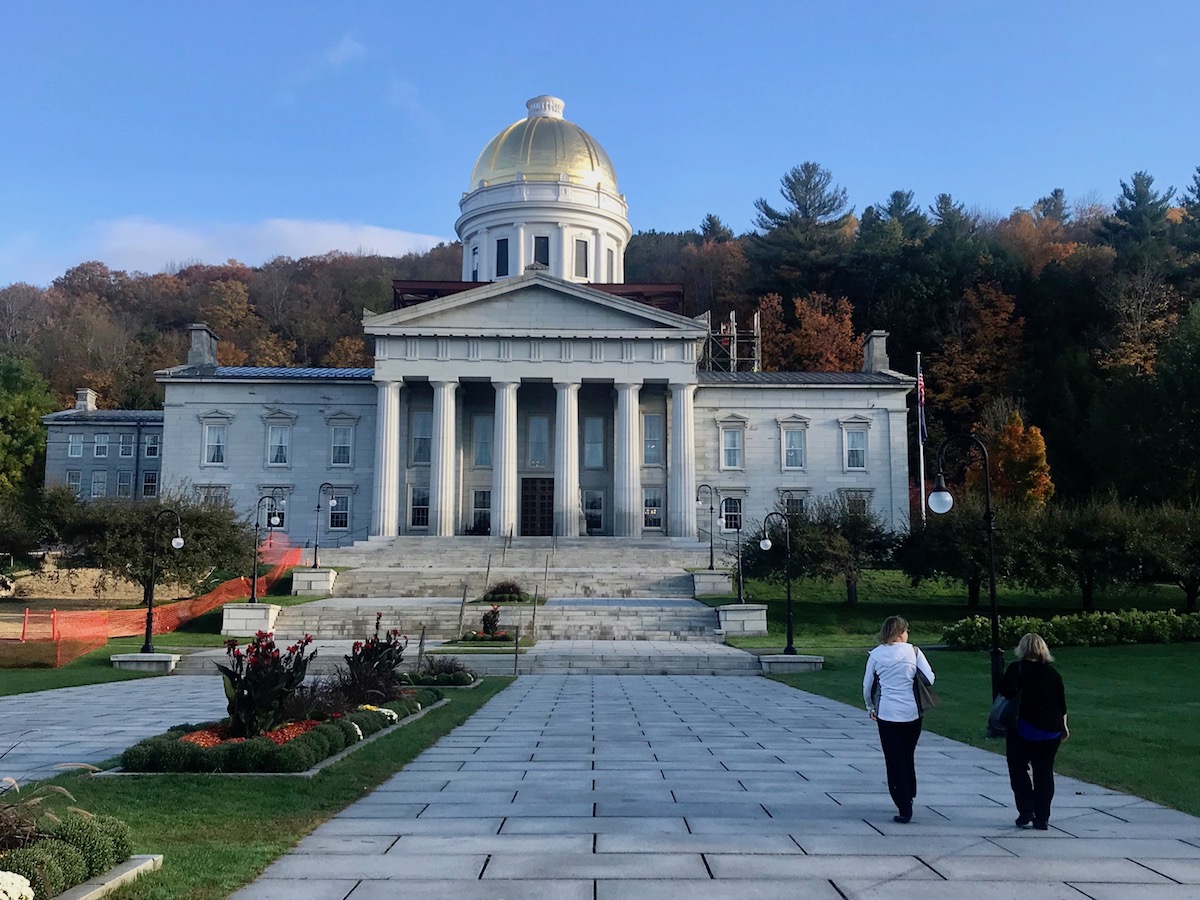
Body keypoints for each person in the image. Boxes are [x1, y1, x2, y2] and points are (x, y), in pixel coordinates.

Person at [863, 615, 935, 823]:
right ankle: (910, 792)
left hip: (887, 712)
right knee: (907, 754)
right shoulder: (914, 652)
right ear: (901, 632)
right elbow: (929, 678)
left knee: (893, 759)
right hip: (912, 711)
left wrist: (870, 706)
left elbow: (867, 686)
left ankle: (902, 803)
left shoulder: (876, 655)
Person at [1001, 632, 1068, 830]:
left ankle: (1026, 809)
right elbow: (1062, 705)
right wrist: (1064, 727)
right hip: (1051, 731)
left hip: (1024, 728)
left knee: (1018, 768)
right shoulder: (1052, 673)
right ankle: (1042, 817)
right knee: (1044, 772)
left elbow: (1005, 693)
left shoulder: (1017, 669)